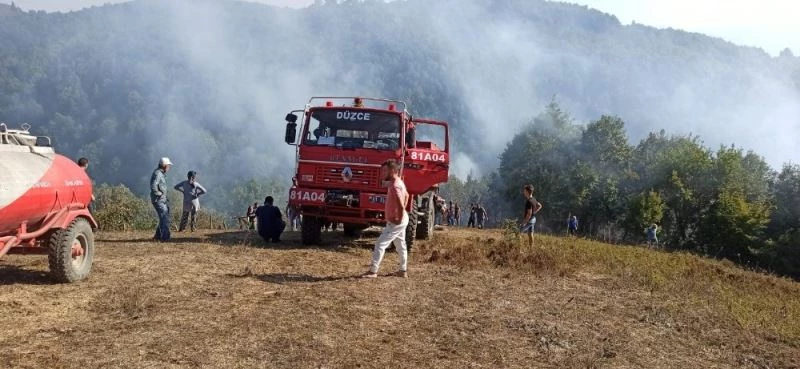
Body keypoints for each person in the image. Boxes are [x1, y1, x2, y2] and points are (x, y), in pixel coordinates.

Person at [362, 159, 409, 278]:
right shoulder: (399, 182)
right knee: (400, 245)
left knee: (380, 244)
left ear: (392, 170)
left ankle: (373, 271)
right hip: (401, 219)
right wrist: (401, 215)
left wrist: (399, 217)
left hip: (396, 221)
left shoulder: (394, 186)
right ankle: (403, 271)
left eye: (385, 170)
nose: (383, 173)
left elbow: (400, 202)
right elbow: (407, 196)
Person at [150, 157, 173, 241]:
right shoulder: (158, 174)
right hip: (158, 200)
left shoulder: (160, 173)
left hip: (161, 200)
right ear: (164, 166)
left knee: (163, 218)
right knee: (165, 218)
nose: (169, 167)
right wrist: (160, 194)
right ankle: (165, 238)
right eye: (168, 165)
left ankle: (158, 236)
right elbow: (153, 186)